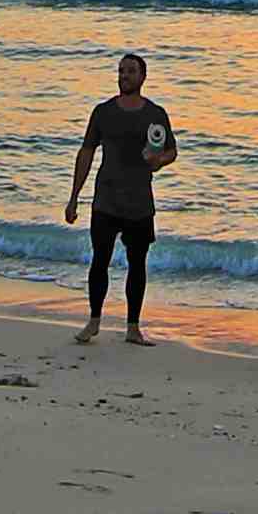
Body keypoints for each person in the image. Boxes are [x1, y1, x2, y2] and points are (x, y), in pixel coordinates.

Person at [63, 50, 180, 342]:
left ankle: (133, 327)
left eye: (130, 71)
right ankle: (93, 320)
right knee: (99, 259)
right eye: (121, 71)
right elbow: (87, 152)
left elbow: (171, 151)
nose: (124, 76)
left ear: (143, 77)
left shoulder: (155, 114)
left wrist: (158, 161)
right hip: (106, 199)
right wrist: (74, 196)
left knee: (137, 263)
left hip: (140, 201)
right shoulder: (103, 112)